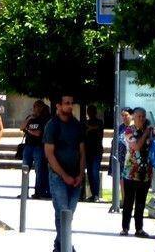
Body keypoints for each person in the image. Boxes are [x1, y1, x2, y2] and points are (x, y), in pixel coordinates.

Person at [44, 94, 86, 252]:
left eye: (71, 103)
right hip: (58, 176)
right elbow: (49, 154)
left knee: (69, 212)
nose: (70, 106)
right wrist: (64, 175)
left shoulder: (77, 125)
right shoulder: (52, 125)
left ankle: (60, 244)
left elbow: (82, 152)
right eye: (66, 103)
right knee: (63, 211)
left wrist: (81, 174)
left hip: (76, 176)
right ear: (58, 106)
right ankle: (67, 247)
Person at [121, 107, 154, 238]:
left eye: (143, 116)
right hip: (131, 172)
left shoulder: (149, 130)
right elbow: (136, 146)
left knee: (141, 203)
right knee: (128, 202)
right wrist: (146, 133)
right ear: (133, 117)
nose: (141, 118)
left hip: (145, 173)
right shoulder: (129, 131)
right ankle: (125, 228)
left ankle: (139, 229)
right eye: (139, 116)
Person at [21, 100, 50, 199]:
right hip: (28, 146)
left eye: (37, 107)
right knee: (25, 169)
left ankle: (38, 191)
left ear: (41, 108)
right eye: (34, 106)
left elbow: (38, 133)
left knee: (39, 170)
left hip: (38, 147)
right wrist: (29, 118)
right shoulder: (30, 118)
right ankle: (24, 191)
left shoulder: (44, 119)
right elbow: (22, 127)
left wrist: (28, 130)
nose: (34, 109)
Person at [83, 104, 106, 201]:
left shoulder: (99, 122)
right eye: (88, 111)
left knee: (94, 171)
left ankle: (96, 194)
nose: (90, 113)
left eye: (91, 111)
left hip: (96, 151)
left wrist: (90, 128)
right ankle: (92, 194)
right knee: (90, 173)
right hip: (87, 151)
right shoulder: (86, 123)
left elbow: (97, 129)